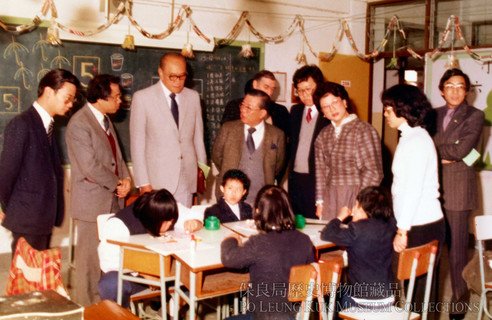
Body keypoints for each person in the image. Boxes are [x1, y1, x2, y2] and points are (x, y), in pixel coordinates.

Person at [66, 74, 132, 306]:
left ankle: (104, 307)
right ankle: (86, 309)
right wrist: (116, 183)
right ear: (99, 98)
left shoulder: (105, 119)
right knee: (88, 263)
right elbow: (90, 166)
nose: (120, 101)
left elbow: (118, 157)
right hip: (91, 204)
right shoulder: (79, 123)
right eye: (115, 97)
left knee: (108, 259)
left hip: (112, 200)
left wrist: (126, 180)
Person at [0, 69, 80, 253]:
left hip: (41, 217)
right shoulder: (22, 124)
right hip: (27, 218)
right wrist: (10, 208)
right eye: (67, 98)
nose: (70, 105)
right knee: (26, 277)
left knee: (37, 278)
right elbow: (6, 173)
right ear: (49, 91)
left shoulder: (48, 126)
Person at [382, 84, 445, 315]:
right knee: (418, 293)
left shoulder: (416, 141)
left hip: (421, 226)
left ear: (403, 109)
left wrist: (402, 230)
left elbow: (413, 190)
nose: (386, 114)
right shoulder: (411, 137)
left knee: (419, 295)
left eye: (388, 109)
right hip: (420, 223)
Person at [433, 68, 484, 319]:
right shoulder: (432, 115)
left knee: (457, 250)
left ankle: (459, 302)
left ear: (467, 91)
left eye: (460, 86)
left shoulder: (475, 115)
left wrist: (437, 152)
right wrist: (447, 152)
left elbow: (465, 150)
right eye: (450, 86)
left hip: (458, 189)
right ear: (442, 90)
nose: (455, 91)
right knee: (431, 245)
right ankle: (428, 297)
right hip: (431, 187)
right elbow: (424, 143)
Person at [221, 185, 315, 320]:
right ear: (288, 210)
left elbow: (228, 257)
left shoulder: (259, 242)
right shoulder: (305, 240)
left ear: (258, 211)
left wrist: (230, 239)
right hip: (291, 314)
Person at [98, 189, 203, 307]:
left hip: (166, 269)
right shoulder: (118, 225)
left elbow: (195, 214)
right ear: (152, 219)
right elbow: (108, 262)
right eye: (165, 222)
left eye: (171, 221)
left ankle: (173, 308)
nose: (170, 225)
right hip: (134, 275)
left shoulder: (163, 209)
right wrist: (144, 273)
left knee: (197, 272)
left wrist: (195, 222)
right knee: (110, 283)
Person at [130, 52, 207, 207]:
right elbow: (137, 144)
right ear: (160, 73)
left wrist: (202, 174)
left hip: (187, 176)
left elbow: (198, 138)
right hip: (156, 179)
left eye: (182, 76)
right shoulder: (142, 98)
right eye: (172, 76)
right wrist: (143, 183)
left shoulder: (193, 97)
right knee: (158, 227)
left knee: (184, 226)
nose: (178, 81)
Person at [314, 82, 383, 220]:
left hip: (356, 195)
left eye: (335, 102)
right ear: (323, 113)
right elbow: (321, 171)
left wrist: (361, 203)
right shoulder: (323, 135)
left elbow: (373, 172)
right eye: (326, 107)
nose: (332, 108)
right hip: (331, 198)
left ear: (345, 102)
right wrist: (320, 202)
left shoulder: (363, 130)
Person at [320, 186, 397, 310]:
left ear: (365, 209)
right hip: (387, 296)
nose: (353, 210)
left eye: (356, 205)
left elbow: (326, 233)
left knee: (332, 297)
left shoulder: (356, 229)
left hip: (362, 300)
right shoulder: (391, 224)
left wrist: (339, 217)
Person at [212, 88, 286, 205]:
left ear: (262, 113)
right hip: (230, 198)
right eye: (242, 105)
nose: (242, 110)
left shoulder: (277, 135)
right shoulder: (228, 129)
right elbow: (217, 157)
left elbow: (278, 166)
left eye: (248, 108)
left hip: (263, 200)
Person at [288, 65, 329, 219]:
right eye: (299, 91)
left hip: (318, 181)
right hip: (296, 179)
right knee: (297, 223)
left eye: (308, 89)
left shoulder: (328, 114)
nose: (304, 95)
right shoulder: (295, 112)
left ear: (319, 87)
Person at [221, 70, 290, 138]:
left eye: (272, 89)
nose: (270, 92)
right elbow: (225, 135)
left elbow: (284, 139)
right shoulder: (234, 106)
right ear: (255, 84)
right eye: (266, 87)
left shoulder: (280, 111)